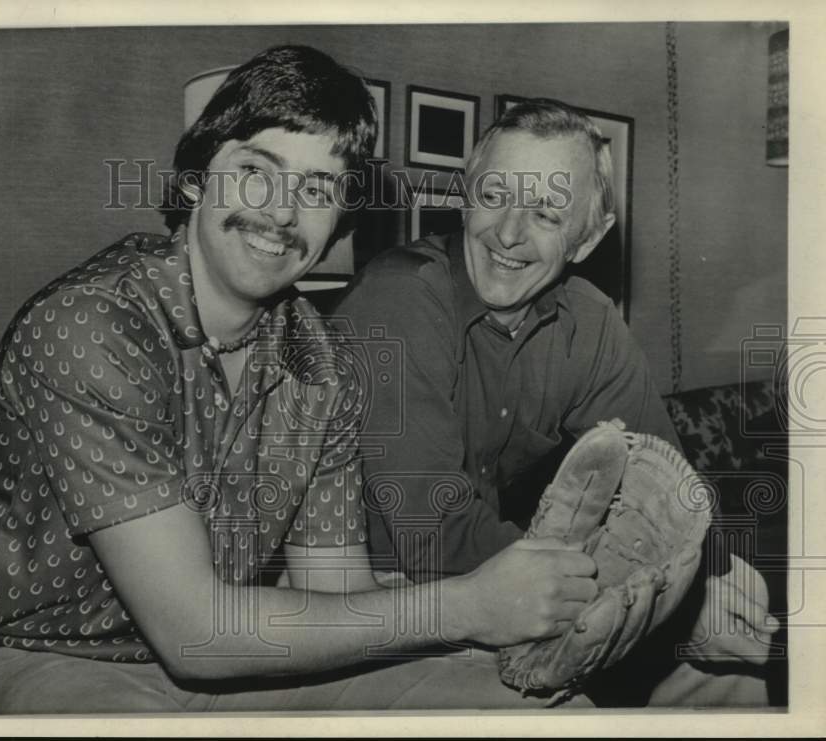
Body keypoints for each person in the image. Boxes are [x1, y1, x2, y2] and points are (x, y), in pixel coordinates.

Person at [0, 48, 602, 713]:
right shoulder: (91, 325)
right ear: (194, 180)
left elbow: (335, 597)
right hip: (45, 655)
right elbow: (196, 632)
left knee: (542, 707)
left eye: (318, 189)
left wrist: (514, 607)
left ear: (339, 221)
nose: (280, 212)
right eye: (255, 173)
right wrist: (466, 605)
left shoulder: (319, 363)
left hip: (242, 654)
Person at [334, 97, 780, 706]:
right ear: (466, 192)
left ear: (588, 237)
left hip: (509, 581)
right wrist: (647, 603)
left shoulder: (589, 322)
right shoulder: (400, 299)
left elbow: (667, 481)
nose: (509, 233)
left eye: (546, 213)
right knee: (561, 710)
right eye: (494, 197)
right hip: (384, 602)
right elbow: (429, 532)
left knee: (732, 683)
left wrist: (714, 579)